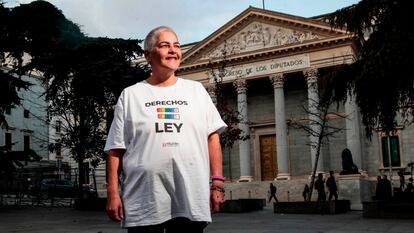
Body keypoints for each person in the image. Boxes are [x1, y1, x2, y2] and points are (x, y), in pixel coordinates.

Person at [105, 26, 227, 233]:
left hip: (189, 195)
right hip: (144, 197)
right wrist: (113, 192)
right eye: (164, 45)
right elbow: (116, 148)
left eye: (176, 45)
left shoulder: (196, 91)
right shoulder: (131, 95)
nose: (173, 50)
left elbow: (212, 138)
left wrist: (217, 183)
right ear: (148, 55)